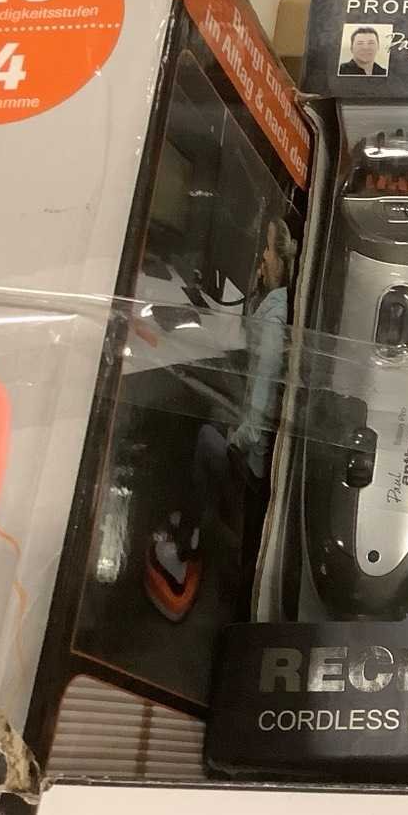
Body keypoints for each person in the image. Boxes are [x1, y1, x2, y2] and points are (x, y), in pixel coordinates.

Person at [145, 217, 299, 621]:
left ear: (282, 260)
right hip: (247, 430)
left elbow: (262, 397)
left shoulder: (273, 320)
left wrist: (237, 439)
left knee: (205, 442)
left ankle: (185, 542)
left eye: (267, 250)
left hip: (252, 457)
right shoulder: (269, 303)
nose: (261, 257)